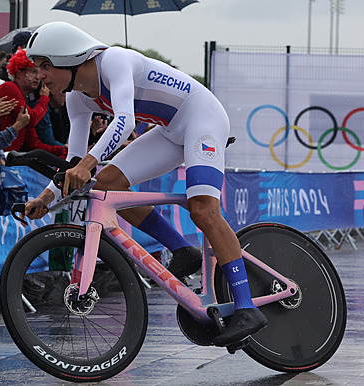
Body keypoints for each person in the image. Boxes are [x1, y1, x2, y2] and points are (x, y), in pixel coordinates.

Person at [24, 21, 267, 346]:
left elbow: (123, 122)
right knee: (107, 183)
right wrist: (46, 197)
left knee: (203, 210)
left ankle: (247, 307)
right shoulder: (77, 99)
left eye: (45, 65)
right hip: (169, 131)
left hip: (202, 117)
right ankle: (182, 249)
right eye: (36, 67)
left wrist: (86, 165)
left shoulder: (113, 61)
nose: (39, 75)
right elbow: (74, 162)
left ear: (68, 57)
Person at [0, 48, 65, 158]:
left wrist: (64, 150)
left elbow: (33, 144)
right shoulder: (10, 88)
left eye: (39, 73)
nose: (38, 77)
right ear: (19, 72)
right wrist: (44, 98)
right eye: (34, 71)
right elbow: (32, 119)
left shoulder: (23, 99)